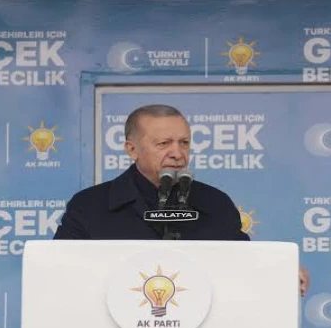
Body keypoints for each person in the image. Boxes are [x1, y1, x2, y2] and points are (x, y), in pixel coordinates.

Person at [53, 104, 309, 296]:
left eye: (184, 143)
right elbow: (59, 271)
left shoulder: (214, 203)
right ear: (132, 149)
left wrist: (281, 272)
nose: (177, 153)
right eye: (164, 143)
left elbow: (243, 263)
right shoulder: (90, 205)